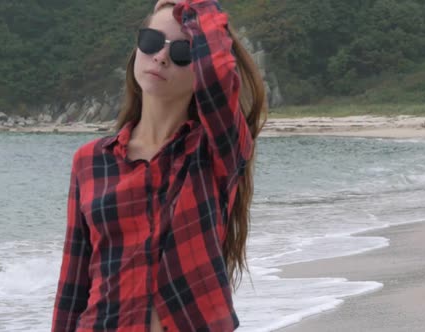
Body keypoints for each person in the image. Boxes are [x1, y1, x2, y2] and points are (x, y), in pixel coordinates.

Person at [51, 0, 267, 330]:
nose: (161, 56)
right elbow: (72, 286)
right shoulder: (90, 161)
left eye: (182, 51)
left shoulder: (214, 152)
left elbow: (219, 70)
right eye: (152, 42)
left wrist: (192, 5)